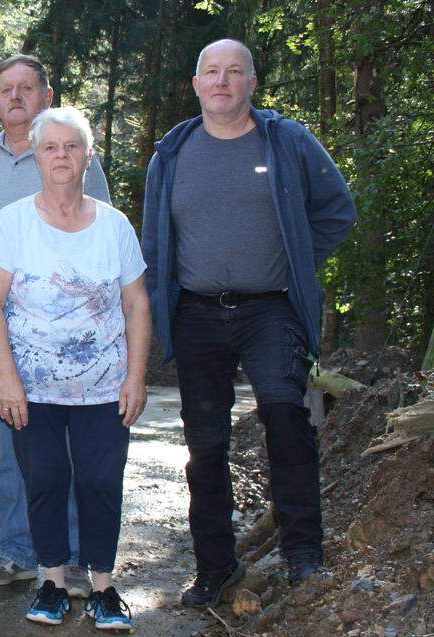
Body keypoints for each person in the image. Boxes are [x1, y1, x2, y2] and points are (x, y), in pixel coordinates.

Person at [140, 39, 355, 608]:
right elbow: (155, 241)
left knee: (287, 421)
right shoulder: (172, 153)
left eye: (235, 72)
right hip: (197, 315)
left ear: (252, 83)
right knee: (204, 443)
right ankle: (215, 566)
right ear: (196, 84)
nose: (222, 81)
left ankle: (304, 555)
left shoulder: (286, 141)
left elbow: (337, 210)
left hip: (271, 309)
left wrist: (297, 260)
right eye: (211, 71)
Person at [0, 106, 150, 632]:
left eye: (71, 146)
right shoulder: (13, 222)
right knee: (46, 479)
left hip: (104, 385)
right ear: (36, 156)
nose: (60, 156)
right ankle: (51, 583)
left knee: (100, 480)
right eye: (50, 147)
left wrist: (136, 377)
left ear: (87, 156)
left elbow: (138, 304)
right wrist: (7, 376)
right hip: (30, 386)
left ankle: (102, 588)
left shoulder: (114, 225)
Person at [0, 54, 111, 597]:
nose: (17, 97)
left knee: (64, 450)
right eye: (7, 89)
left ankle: (69, 557)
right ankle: (18, 550)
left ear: (47, 95)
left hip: (65, 337)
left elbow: (102, 243)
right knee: (5, 446)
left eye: (28, 87)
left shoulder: (72, 152)